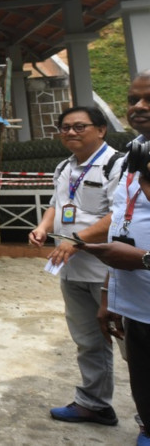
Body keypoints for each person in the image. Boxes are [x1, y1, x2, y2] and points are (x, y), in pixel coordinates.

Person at [27, 106, 124, 426]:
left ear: (101, 129)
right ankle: (94, 404)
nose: (70, 132)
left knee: (132, 346)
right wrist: (43, 227)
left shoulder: (117, 165)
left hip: (111, 271)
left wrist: (79, 239)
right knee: (87, 340)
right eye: (65, 127)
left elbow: (119, 215)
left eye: (79, 127)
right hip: (71, 268)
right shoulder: (64, 167)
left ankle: (147, 419)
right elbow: (57, 205)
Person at [76, 70, 150, 446]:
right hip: (136, 308)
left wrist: (144, 260)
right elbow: (124, 232)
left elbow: (135, 252)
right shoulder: (133, 161)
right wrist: (110, 297)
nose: (138, 108)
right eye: (134, 99)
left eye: (149, 100)